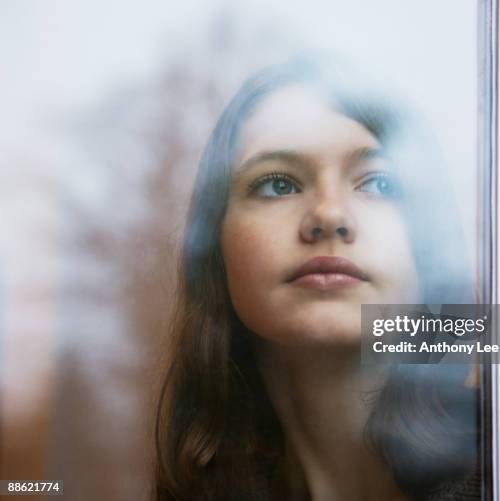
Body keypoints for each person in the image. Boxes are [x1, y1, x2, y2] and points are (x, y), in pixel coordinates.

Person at [152, 54, 481, 501]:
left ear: (427, 246)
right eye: (278, 184)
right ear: (216, 252)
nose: (329, 214)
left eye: (380, 183)